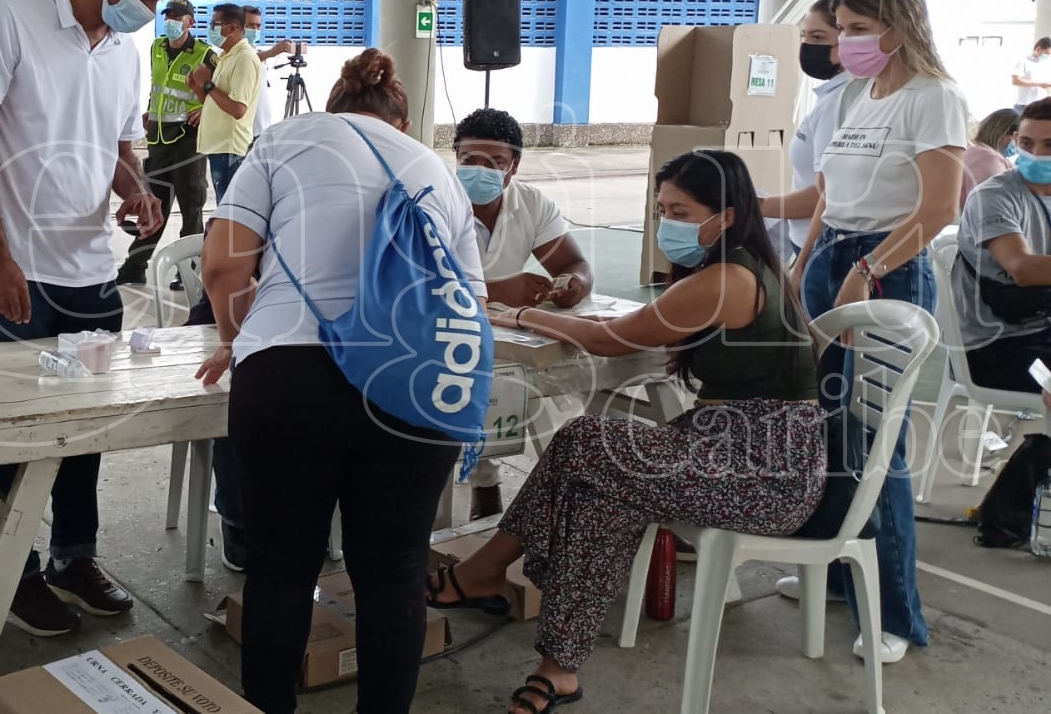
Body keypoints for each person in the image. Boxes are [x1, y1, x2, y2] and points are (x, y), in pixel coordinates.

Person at [428, 150, 825, 714]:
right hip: (727, 446)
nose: (669, 223)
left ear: (727, 216)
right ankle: (557, 668)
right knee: (602, 490)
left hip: (763, 473)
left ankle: (486, 571)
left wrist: (515, 315)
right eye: (662, 209)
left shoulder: (728, 278)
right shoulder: (740, 266)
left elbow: (615, 340)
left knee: (583, 440)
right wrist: (574, 319)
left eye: (682, 211)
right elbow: (633, 327)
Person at [196, 49, 484, 714]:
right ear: (401, 120)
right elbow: (467, 306)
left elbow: (222, 266)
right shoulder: (436, 172)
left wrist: (240, 340)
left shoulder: (284, 141)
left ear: (333, 107)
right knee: (393, 573)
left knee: (281, 567)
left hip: (289, 375)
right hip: (413, 387)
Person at [0, 0, 171, 637]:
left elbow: (117, 145)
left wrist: (136, 192)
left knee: (86, 425)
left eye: (159, 0)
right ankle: (11, 573)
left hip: (90, 269)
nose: (147, 9)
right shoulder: (9, 18)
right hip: (18, 269)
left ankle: (74, 559)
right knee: (13, 428)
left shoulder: (128, 50)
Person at [792, 0, 968, 664]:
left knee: (876, 444)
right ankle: (835, 572)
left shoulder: (934, 98)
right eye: (841, 29)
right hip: (835, 258)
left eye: (859, 30)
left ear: (898, 27)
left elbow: (937, 209)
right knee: (829, 430)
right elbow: (827, 194)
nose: (845, 43)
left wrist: (866, 273)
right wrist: (806, 264)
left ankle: (893, 612)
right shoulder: (861, 94)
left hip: (884, 265)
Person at [452, 107, 595, 519]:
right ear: (455, 157)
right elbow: (417, 287)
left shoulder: (530, 203)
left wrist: (573, 286)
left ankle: (559, 496)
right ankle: (485, 481)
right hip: (447, 331)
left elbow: (574, 264)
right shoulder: (436, 200)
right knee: (488, 387)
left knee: (559, 385)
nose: (481, 171)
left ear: (514, 166)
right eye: (470, 161)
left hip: (508, 333)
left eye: (495, 163)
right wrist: (501, 290)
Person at [116, 0, 217, 286]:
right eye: (169, 15)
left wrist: (204, 109)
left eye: (178, 17)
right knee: (153, 203)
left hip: (187, 139)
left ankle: (190, 271)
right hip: (158, 137)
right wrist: (151, 111)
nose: (172, 21)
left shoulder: (204, 54)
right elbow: (157, 86)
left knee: (191, 206)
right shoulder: (156, 47)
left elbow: (219, 92)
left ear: (190, 22)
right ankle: (135, 265)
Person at [954, 98, 1051, 392]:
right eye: (1027, 143)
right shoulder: (994, 195)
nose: (1036, 154)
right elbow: (1022, 269)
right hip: (998, 346)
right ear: (1014, 140)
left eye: (1049, 145)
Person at [758, 0, 850, 259]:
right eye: (804, 36)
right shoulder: (830, 98)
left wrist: (753, 206)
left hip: (821, 246)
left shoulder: (837, 105)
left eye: (818, 37)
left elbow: (823, 195)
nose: (808, 45)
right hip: (808, 241)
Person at [191, 3, 262, 199]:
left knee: (230, 212)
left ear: (231, 28)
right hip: (219, 147)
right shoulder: (226, 56)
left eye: (215, 24)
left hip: (231, 150)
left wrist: (208, 85)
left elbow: (239, 109)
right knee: (224, 209)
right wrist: (198, 86)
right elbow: (213, 101)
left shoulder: (244, 59)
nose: (211, 29)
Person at [243, 6, 296, 142]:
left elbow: (256, 56)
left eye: (258, 25)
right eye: (250, 25)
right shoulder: (233, 52)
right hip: (246, 131)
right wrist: (272, 52)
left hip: (262, 128)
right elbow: (248, 59)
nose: (255, 30)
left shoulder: (256, 50)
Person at [960, 107, 1019, 206]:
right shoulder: (990, 160)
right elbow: (998, 202)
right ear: (1004, 134)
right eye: (1016, 138)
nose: (1016, 144)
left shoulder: (972, 149)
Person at [1010, 36, 1051, 113]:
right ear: (1038, 49)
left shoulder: (1047, 63)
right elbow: (1015, 81)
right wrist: (1039, 84)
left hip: (1042, 105)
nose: (1048, 56)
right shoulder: (1023, 61)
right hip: (1024, 105)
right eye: (1047, 53)